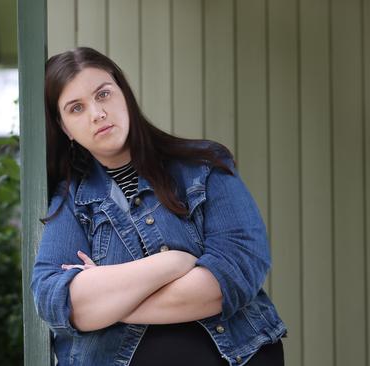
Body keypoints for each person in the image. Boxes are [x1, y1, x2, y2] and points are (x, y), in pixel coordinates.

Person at [31, 47, 286, 366]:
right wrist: (173, 264)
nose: (97, 113)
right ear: (65, 127)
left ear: (124, 94)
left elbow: (236, 272)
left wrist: (109, 303)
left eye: (104, 94)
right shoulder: (71, 203)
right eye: (76, 108)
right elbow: (55, 299)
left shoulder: (204, 167)